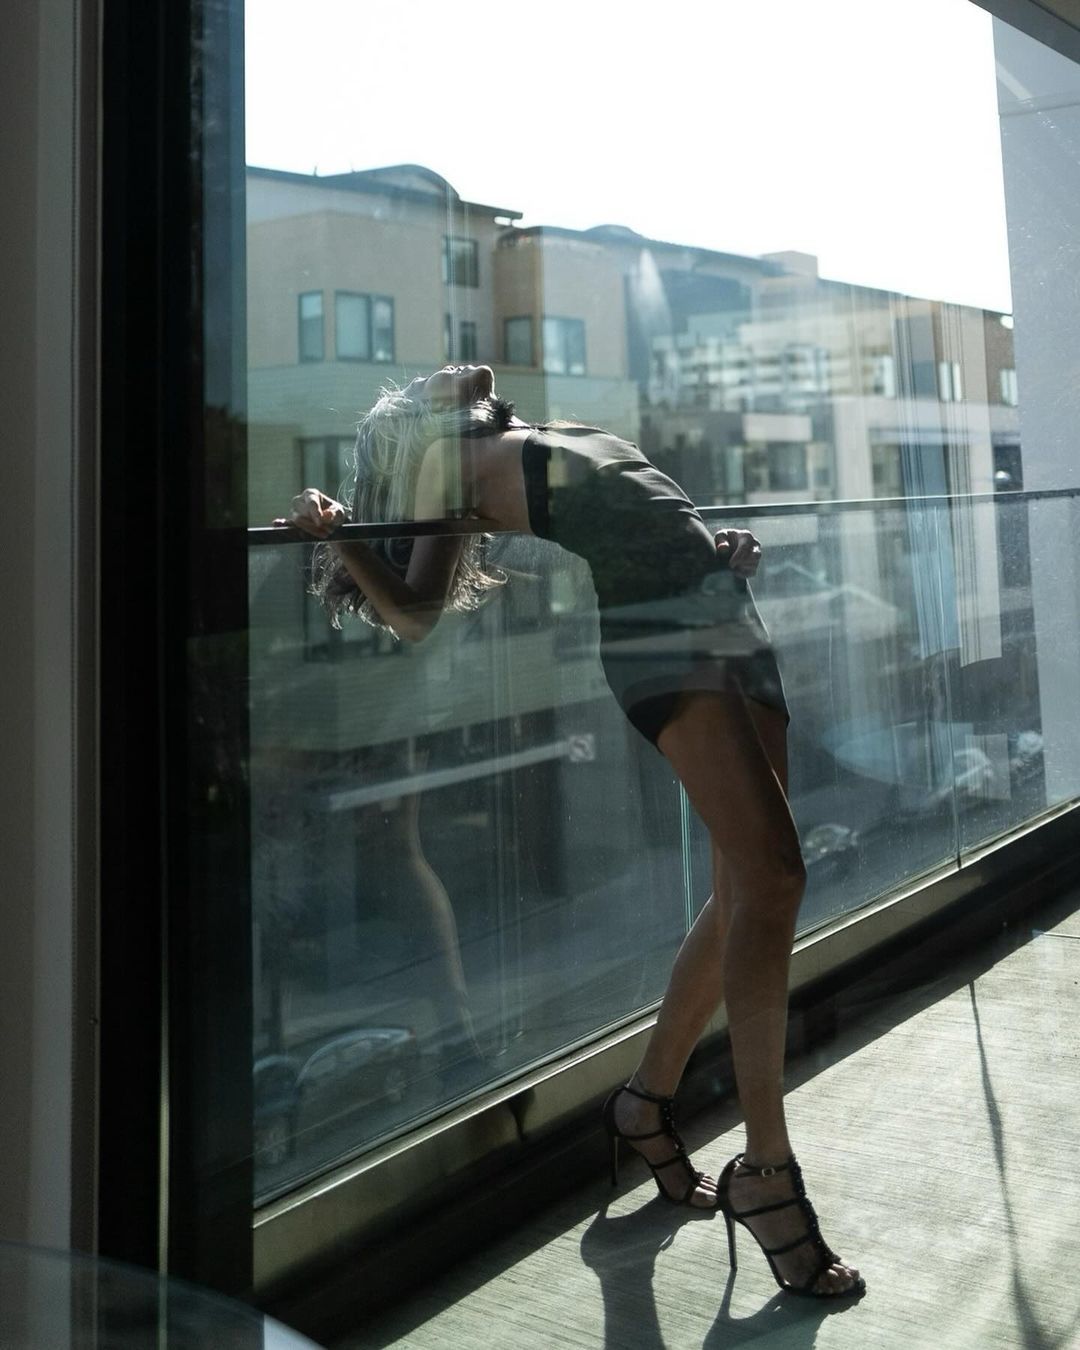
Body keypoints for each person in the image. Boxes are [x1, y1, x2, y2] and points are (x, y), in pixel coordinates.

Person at [275, 364, 864, 1300]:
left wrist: (712, 546)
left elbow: (641, 514)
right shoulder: (438, 463)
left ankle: (645, 1103)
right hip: (662, 636)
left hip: (721, 610)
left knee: (751, 884)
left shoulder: (548, 432)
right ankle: (766, 1167)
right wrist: (343, 532)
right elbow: (416, 613)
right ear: (414, 423)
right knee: (773, 876)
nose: (450, 368)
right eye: (427, 380)